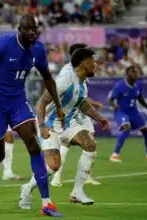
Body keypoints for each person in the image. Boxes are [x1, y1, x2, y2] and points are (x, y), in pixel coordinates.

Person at [0, 14, 65, 217]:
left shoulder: (38, 49)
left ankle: (47, 203)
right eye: (28, 29)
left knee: (33, 144)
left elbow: (47, 77)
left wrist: (58, 105)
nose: (32, 33)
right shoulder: (2, 45)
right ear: (19, 29)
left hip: (17, 100)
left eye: (35, 30)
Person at [19, 48, 110, 209]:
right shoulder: (65, 80)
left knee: (90, 145)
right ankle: (27, 188)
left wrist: (100, 118)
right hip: (49, 124)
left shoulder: (83, 83)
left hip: (68, 123)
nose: (96, 65)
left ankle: (77, 192)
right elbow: (41, 103)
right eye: (93, 61)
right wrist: (42, 126)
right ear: (85, 63)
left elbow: (81, 104)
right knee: (54, 167)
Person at [50, 43, 103, 187]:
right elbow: (55, 96)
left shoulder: (80, 71)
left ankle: (85, 177)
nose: (92, 60)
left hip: (78, 110)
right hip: (71, 113)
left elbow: (81, 95)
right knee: (67, 143)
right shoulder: (67, 73)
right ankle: (56, 176)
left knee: (90, 142)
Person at [108, 66, 147, 163]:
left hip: (134, 112)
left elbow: (140, 98)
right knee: (126, 129)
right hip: (121, 111)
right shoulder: (120, 85)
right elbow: (110, 100)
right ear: (128, 73)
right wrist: (114, 105)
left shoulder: (138, 85)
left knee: (146, 131)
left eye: (137, 72)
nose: (136, 74)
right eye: (133, 72)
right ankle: (114, 155)